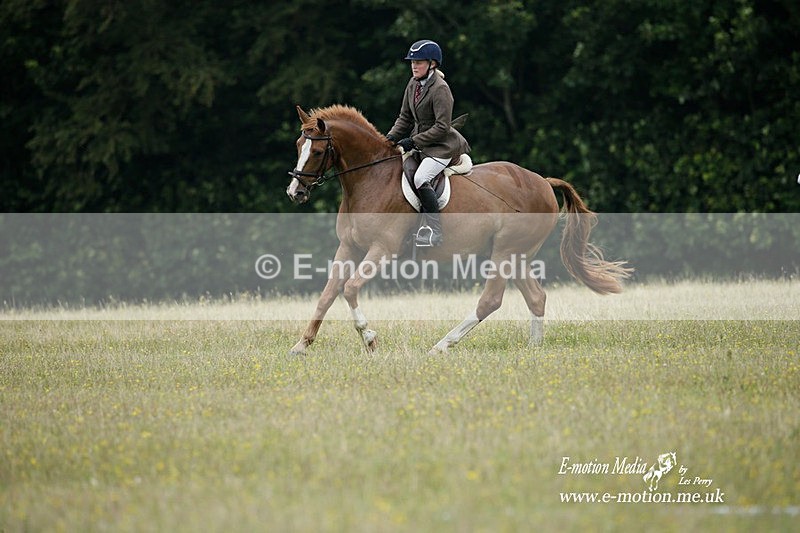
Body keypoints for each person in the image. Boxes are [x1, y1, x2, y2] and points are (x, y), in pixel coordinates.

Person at [386, 39, 470, 246]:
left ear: (432, 64)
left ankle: (434, 231)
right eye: (412, 62)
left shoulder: (440, 89)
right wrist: (388, 139)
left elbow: (442, 127)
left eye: (419, 62)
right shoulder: (413, 84)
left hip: (442, 146)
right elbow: (404, 118)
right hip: (422, 144)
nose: (414, 66)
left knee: (420, 178)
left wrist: (413, 141)